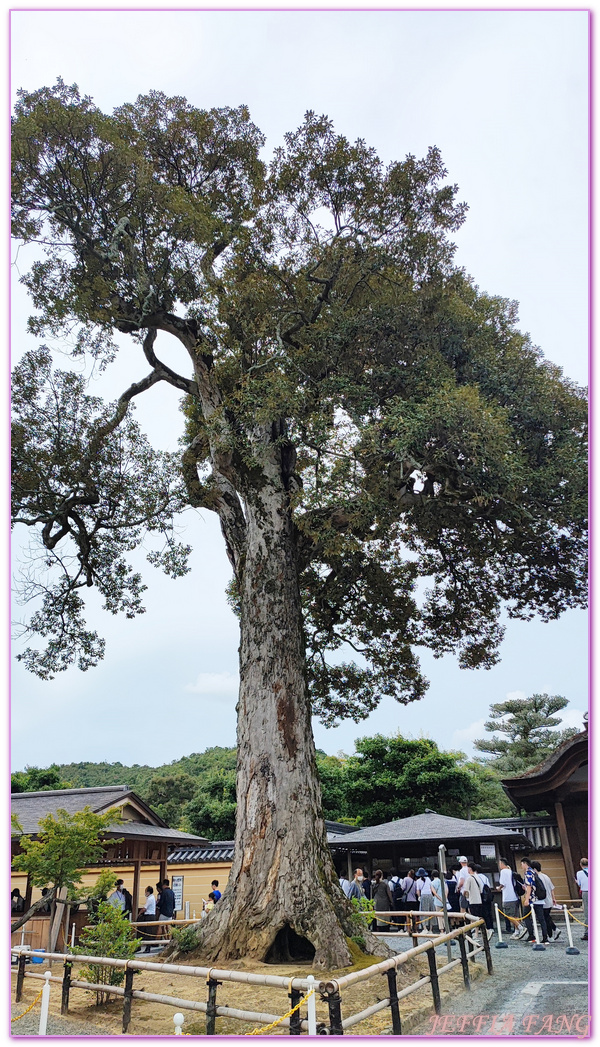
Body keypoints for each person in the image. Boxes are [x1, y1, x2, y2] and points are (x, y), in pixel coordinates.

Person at [520, 858, 548, 944]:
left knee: (526, 916)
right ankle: (545, 938)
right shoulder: (533, 872)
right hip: (539, 899)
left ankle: (532, 935)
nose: (521, 866)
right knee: (541, 919)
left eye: (521, 864)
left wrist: (527, 899)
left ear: (525, 863)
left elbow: (529, 887)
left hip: (532, 899)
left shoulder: (528, 873)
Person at [531, 861, 560, 942]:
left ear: (534, 869)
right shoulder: (546, 876)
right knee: (547, 917)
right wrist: (554, 899)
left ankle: (550, 935)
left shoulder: (537, 878)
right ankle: (555, 929)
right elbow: (552, 888)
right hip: (549, 900)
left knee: (545, 919)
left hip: (542, 901)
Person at [498, 857, 524, 939]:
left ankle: (520, 927)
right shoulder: (511, 871)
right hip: (515, 896)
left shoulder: (503, 872)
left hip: (508, 896)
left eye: (499, 864)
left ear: (502, 864)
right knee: (515, 915)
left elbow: (503, 883)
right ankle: (516, 931)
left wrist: (499, 888)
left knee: (509, 915)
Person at [462, 863, 483, 939]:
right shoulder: (477, 877)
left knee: (473, 917)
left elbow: (466, 890)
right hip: (479, 900)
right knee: (478, 917)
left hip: (472, 900)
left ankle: (475, 933)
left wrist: (464, 895)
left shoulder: (469, 878)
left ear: (470, 869)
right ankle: (476, 932)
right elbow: (481, 889)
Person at [475, 865, 494, 935]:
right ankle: (491, 927)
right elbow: (488, 885)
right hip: (488, 895)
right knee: (489, 912)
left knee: (483, 912)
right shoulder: (485, 877)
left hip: (481, 896)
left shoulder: (476, 877)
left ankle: (485, 927)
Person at [138, 887, 157, 952]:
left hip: (149, 916)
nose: (145, 893)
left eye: (146, 891)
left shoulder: (150, 899)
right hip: (151, 916)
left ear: (148, 892)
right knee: (147, 932)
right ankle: (144, 946)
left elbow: (144, 908)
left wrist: (139, 913)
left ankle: (147, 947)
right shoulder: (152, 897)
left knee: (147, 932)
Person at [576, 858, 588, 941]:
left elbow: (580, 884)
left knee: (587, 913)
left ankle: (587, 932)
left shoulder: (579, 873)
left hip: (586, 892)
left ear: (581, 864)